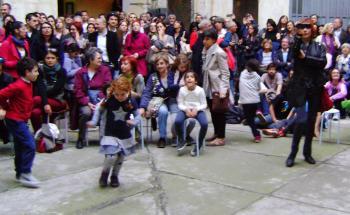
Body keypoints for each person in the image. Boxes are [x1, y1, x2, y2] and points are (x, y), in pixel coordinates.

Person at [286, 18, 327, 167]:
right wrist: (296, 36)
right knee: (301, 120)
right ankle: (292, 153)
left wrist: (307, 58)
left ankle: (307, 153)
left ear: (312, 29)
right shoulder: (296, 45)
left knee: (310, 121)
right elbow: (295, 53)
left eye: (307, 27)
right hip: (300, 87)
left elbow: (322, 62)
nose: (304, 30)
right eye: (301, 27)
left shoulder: (319, 46)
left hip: (315, 87)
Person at [87, 77, 140, 188]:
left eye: (122, 94)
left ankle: (115, 176)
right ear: (113, 92)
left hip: (124, 133)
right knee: (111, 155)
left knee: (120, 156)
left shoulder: (131, 101)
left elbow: (138, 115)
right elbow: (99, 109)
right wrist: (94, 121)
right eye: (117, 94)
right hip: (110, 132)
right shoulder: (109, 99)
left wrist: (134, 121)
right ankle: (104, 174)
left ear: (128, 91)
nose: (120, 97)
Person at [0, 57, 40, 188]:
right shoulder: (18, 85)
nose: (37, 73)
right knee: (30, 145)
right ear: (27, 72)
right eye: (35, 71)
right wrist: (3, 108)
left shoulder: (29, 83)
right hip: (15, 120)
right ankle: (26, 173)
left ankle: (19, 173)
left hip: (21, 119)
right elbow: (1, 95)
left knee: (20, 146)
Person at [74, 47, 112, 149]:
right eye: (98, 58)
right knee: (86, 113)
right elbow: (78, 90)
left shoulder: (105, 70)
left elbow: (108, 87)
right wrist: (87, 102)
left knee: (106, 111)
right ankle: (81, 138)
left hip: (101, 99)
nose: (101, 60)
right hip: (86, 100)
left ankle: (104, 138)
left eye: (101, 58)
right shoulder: (80, 73)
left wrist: (100, 101)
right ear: (90, 59)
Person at [139, 55, 176, 148]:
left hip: (172, 99)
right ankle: (162, 137)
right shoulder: (153, 77)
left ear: (167, 64)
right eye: (157, 64)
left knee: (177, 114)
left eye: (162, 63)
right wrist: (143, 107)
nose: (159, 66)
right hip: (158, 101)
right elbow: (146, 92)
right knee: (163, 112)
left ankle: (178, 135)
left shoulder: (173, 75)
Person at [201, 29, 230, 146]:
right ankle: (216, 133)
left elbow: (225, 73)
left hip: (217, 87)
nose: (204, 41)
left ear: (213, 40)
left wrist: (223, 90)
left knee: (219, 112)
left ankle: (221, 137)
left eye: (207, 39)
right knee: (213, 111)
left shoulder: (219, 52)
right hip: (208, 85)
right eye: (204, 39)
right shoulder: (207, 51)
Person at [31, 50, 67, 132]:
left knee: (36, 99)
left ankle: (22, 115)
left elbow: (55, 90)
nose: (50, 60)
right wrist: (45, 103)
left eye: (52, 58)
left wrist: (44, 100)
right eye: (48, 58)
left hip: (58, 100)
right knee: (35, 113)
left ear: (57, 59)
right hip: (44, 102)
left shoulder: (61, 71)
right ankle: (40, 136)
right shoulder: (40, 70)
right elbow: (39, 86)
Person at [175, 71, 208, 156]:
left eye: (192, 77)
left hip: (198, 110)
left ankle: (199, 144)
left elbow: (204, 104)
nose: (189, 78)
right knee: (178, 121)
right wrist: (186, 109)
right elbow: (180, 103)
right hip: (185, 109)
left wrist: (197, 109)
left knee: (204, 124)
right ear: (185, 81)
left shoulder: (200, 90)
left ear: (196, 81)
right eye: (187, 77)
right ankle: (182, 140)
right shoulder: (182, 90)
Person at [239, 59, 263, 143]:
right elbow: (259, 88)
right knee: (251, 118)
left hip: (245, 101)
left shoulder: (242, 74)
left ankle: (257, 135)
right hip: (255, 101)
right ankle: (257, 112)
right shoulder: (257, 76)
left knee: (250, 120)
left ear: (247, 67)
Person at [0, 57, 13, 144]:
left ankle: (5, 135)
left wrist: (2, 108)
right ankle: (5, 134)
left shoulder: (7, 78)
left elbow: (9, 96)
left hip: (5, 105)